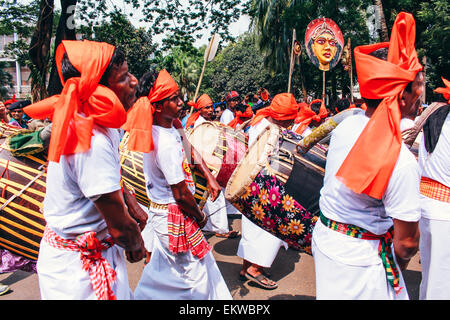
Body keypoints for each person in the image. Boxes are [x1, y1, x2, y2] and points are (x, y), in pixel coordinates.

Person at [23, 40, 147, 300]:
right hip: (78, 273)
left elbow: (102, 181)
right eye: (124, 77)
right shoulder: (93, 139)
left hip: (87, 255)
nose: (134, 82)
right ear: (97, 87)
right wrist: (137, 244)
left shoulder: (94, 120)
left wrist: (129, 199)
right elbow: (120, 229)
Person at [311, 12, 423, 300]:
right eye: (418, 85)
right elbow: (407, 244)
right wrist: (392, 266)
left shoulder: (347, 125)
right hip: (362, 263)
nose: (421, 93)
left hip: (328, 240)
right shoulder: (401, 160)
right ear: (401, 97)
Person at [123, 68, 231, 300]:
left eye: (179, 96)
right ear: (159, 106)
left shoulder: (171, 127)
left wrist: (209, 176)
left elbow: (189, 148)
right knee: (193, 278)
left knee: (164, 271)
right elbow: (180, 194)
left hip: (167, 214)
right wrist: (201, 217)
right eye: (174, 99)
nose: (182, 103)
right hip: (175, 215)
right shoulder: (163, 142)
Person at [237, 92, 299, 290]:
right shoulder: (267, 129)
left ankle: (246, 267)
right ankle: (255, 269)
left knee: (253, 228)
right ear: (281, 117)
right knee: (268, 230)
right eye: (288, 121)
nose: (290, 125)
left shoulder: (260, 122)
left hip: (254, 183)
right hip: (265, 185)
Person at [418, 78, 450, 299]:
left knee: (431, 276)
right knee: (442, 283)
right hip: (445, 212)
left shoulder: (437, 117)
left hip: (427, 204)